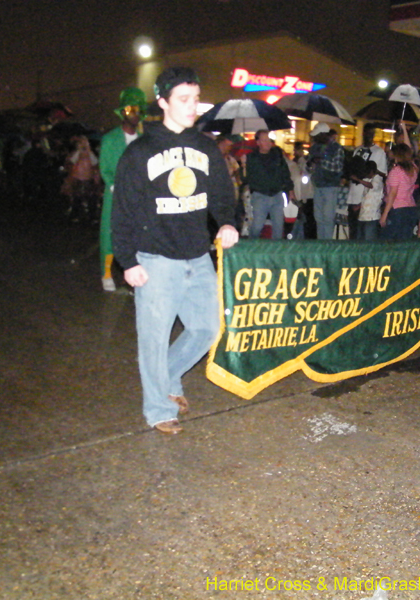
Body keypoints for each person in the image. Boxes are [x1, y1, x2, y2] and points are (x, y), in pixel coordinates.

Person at [111, 67, 239, 435]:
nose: (192, 106)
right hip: (155, 258)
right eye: (184, 99)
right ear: (164, 102)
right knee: (152, 340)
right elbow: (123, 210)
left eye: (196, 99)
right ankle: (157, 409)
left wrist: (227, 222)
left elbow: (220, 194)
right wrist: (127, 261)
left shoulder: (205, 147)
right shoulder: (140, 152)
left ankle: (166, 378)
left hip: (197, 256)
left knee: (207, 328)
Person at [99, 87, 146, 292]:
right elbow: (105, 167)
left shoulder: (144, 140)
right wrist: (114, 186)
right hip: (115, 194)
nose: (135, 116)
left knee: (138, 233)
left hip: (139, 196)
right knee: (111, 231)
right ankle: (106, 273)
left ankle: (134, 272)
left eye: (138, 111)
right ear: (123, 113)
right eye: (131, 110)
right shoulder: (110, 139)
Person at [243, 129, 293, 240]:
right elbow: (245, 179)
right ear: (258, 143)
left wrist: (290, 190)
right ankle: (252, 245)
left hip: (277, 194)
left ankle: (276, 252)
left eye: (268, 140)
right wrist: (244, 165)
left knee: (278, 227)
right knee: (257, 225)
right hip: (260, 195)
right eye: (264, 140)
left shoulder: (277, 155)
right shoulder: (251, 158)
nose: (267, 143)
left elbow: (285, 173)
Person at [349, 123, 387, 240]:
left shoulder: (379, 152)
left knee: (366, 234)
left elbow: (383, 174)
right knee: (354, 232)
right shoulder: (358, 150)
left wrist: (368, 171)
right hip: (354, 194)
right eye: (367, 133)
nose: (369, 136)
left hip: (367, 198)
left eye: (372, 133)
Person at [307, 124, 345, 239]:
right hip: (318, 186)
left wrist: (320, 162)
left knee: (328, 218)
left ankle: (326, 245)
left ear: (323, 135)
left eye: (317, 136)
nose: (314, 138)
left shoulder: (336, 148)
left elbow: (337, 167)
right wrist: (310, 165)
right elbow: (309, 167)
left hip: (330, 186)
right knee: (318, 217)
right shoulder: (315, 148)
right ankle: (321, 244)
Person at [379, 142, 419, 241]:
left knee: (390, 240)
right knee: (405, 240)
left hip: (397, 208)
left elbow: (393, 194)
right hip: (410, 207)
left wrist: (384, 214)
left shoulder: (396, 171)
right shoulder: (413, 169)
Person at [64, 135, 101, 224]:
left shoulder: (91, 154)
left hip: (88, 179)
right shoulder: (75, 153)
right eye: (81, 142)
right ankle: (75, 215)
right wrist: (79, 151)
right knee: (77, 198)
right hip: (78, 179)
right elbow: (71, 161)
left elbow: (95, 162)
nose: (84, 144)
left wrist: (88, 151)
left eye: (86, 142)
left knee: (92, 199)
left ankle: (92, 216)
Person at [355, 160, 384, 241]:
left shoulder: (378, 179)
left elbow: (372, 186)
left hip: (372, 217)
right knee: (361, 241)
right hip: (363, 216)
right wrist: (359, 206)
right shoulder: (369, 180)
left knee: (369, 241)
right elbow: (367, 197)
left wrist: (358, 180)